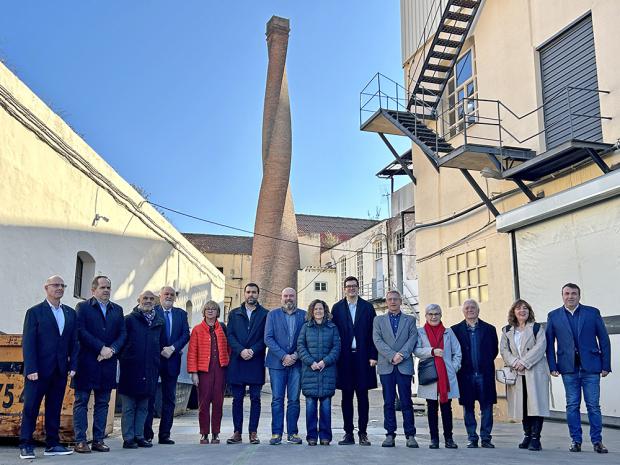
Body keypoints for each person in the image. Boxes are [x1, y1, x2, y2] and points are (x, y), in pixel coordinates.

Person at [546, 283, 611, 454]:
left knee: (593, 406)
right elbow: (549, 343)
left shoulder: (592, 313)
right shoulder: (553, 316)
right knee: (572, 405)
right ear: (562, 296)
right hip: (568, 369)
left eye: (573, 293)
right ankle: (576, 441)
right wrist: (552, 366)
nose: (570, 296)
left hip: (591, 368)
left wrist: (606, 365)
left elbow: (604, 339)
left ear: (579, 296)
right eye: (567, 293)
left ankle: (597, 441)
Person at [19, 275, 78, 460]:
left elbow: (74, 342)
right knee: (31, 408)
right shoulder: (35, 312)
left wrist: (73, 365)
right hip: (38, 371)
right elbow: (28, 342)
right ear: (46, 288)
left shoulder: (69, 313)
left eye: (62, 285)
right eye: (55, 285)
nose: (59, 288)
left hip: (60, 370)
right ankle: (26, 445)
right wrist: (31, 369)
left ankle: (52, 444)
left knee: (54, 408)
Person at [73, 276, 127, 453]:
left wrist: (112, 349)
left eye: (108, 288)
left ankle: (98, 440)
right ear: (93, 290)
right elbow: (81, 331)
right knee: (81, 401)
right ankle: (80, 440)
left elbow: (122, 334)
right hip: (87, 362)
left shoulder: (117, 310)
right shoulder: (83, 307)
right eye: (103, 287)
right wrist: (100, 348)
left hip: (108, 363)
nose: (106, 290)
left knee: (103, 403)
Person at [331, 276, 377, 446]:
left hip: (364, 357)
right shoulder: (337, 308)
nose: (351, 289)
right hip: (344, 359)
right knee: (346, 397)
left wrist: (374, 356)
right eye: (348, 286)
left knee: (363, 397)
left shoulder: (367, 307)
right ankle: (348, 433)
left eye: (354, 286)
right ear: (344, 289)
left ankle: (363, 433)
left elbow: (374, 333)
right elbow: (334, 334)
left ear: (358, 288)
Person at [500, 299, 550, 451]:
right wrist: (515, 362)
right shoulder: (507, 330)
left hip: (535, 372)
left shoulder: (536, 328)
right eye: (518, 308)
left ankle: (536, 438)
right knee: (522, 405)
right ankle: (527, 435)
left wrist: (524, 362)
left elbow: (540, 347)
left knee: (536, 405)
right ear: (513, 312)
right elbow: (504, 349)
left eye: (525, 308)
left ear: (529, 312)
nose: (522, 311)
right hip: (517, 373)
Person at [118, 291, 166, 449]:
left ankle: (140, 436)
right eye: (145, 298)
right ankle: (128, 438)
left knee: (144, 407)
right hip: (131, 369)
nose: (148, 301)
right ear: (139, 300)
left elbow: (161, 343)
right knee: (129, 407)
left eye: (152, 299)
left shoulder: (158, 321)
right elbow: (121, 342)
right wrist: (127, 358)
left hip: (150, 369)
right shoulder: (129, 320)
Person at [144, 286, 190, 445]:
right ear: (160, 296)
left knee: (169, 399)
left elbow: (185, 335)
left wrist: (173, 348)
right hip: (155, 360)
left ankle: (164, 435)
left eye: (172, 294)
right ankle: (147, 434)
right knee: (149, 397)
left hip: (172, 360)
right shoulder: (152, 311)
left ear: (175, 297)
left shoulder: (181, 314)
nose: (169, 296)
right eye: (166, 294)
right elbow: (148, 334)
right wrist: (160, 350)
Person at [372, 290, 419, 448]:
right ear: (387, 301)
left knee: (406, 402)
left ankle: (410, 435)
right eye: (390, 299)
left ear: (400, 301)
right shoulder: (378, 320)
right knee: (388, 403)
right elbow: (377, 340)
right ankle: (390, 434)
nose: (392, 302)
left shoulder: (410, 320)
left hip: (404, 366)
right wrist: (392, 356)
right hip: (387, 366)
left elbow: (412, 339)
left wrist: (402, 355)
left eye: (395, 299)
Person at [451, 299, 498, 448]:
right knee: (468, 407)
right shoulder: (455, 330)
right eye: (467, 308)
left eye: (473, 307)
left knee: (487, 407)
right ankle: (472, 438)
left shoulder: (489, 329)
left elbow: (494, 350)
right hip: (465, 375)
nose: (470, 310)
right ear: (463, 311)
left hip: (485, 374)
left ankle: (486, 438)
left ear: (478, 311)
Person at [226, 283, 269, 445]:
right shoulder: (234, 313)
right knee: (237, 399)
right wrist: (241, 350)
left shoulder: (265, 314)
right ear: (244, 294)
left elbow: (266, 337)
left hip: (255, 361)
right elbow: (230, 335)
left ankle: (253, 432)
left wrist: (253, 350)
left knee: (255, 399)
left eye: (254, 292)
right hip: (237, 361)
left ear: (258, 294)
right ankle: (237, 432)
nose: (251, 294)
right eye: (248, 292)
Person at [414, 303, 461, 449]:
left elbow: (457, 352)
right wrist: (432, 351)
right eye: (430, 314)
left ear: (441, 315)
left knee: (446, 408)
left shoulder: (448, 332)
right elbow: (416, 350)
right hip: (430, 375)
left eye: (436, 314)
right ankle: (434, 439)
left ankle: (449, 439)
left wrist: (453, 368)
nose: (434, 317)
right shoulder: (420, 332)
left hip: (446, 376)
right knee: (432, 407)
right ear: (426, 316)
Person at [264, 287, 306, 445]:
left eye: (291, 296)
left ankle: (293, 433)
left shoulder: (303, 315)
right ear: (281, 298)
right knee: (277, 399)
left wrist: (295, 355)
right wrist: (284, 356)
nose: (289, 298)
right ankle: (276, 433)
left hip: (297, 363)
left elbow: (306, 339)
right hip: (277, 363)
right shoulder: (272, 315)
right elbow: (268, 338)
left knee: (294, 400)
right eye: (286, 296)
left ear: (296, 297)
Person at [297, 300, 341, 446]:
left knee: (326, 407)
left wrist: (324, 362)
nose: (318, 311)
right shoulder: (306, 328)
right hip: (310, 372)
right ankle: (311, 436)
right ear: (311, 311)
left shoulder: (332, 328)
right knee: (310, 407)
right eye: (315, 309)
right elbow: (301, 347)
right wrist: (311, 362)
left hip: (327, 372)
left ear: (325, 310)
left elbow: (336, 348)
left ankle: (325, 436)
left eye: (321, 309)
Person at [188, 301, 230, 445]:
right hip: (203, 371)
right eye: (208, 309)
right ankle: (204, 433)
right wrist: (193, 373)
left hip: (220, 369)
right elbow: (192, 352)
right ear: (204, 312)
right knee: (203, 403)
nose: (210, 311)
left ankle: (216, 434)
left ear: (218, 312)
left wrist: (226, 364)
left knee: (218, 403)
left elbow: (228, 349)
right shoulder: (197, 330)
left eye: (213, 309)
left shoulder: (223, 329)